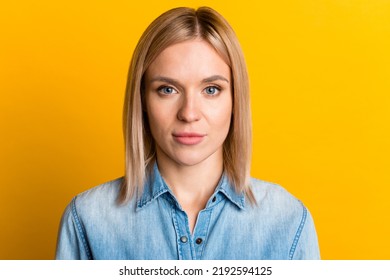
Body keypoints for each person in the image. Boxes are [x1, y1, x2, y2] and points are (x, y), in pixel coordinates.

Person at [56, 6, 320, 260]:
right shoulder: (87, 220)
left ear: (235, 101)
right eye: (167, 89)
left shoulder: (288, 221)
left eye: (211, 89)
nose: (189, 113)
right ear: (142, 102)